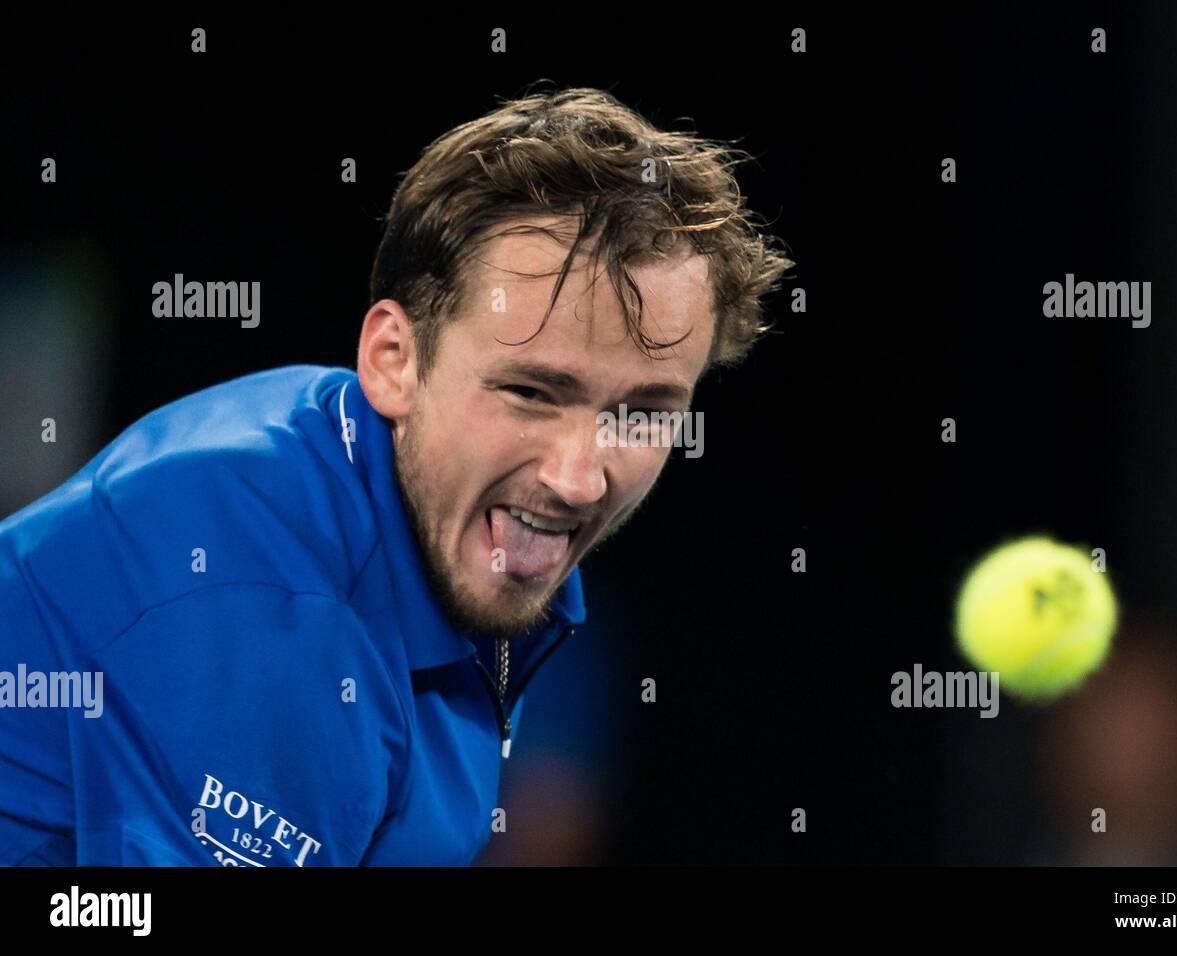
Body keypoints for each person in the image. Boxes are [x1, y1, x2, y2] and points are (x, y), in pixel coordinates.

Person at [0, 87, 793, 865]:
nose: (579, 477)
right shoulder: (269, 601)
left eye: (644, 415)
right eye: (530, 392)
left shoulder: (406, 509)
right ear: (394, 362)